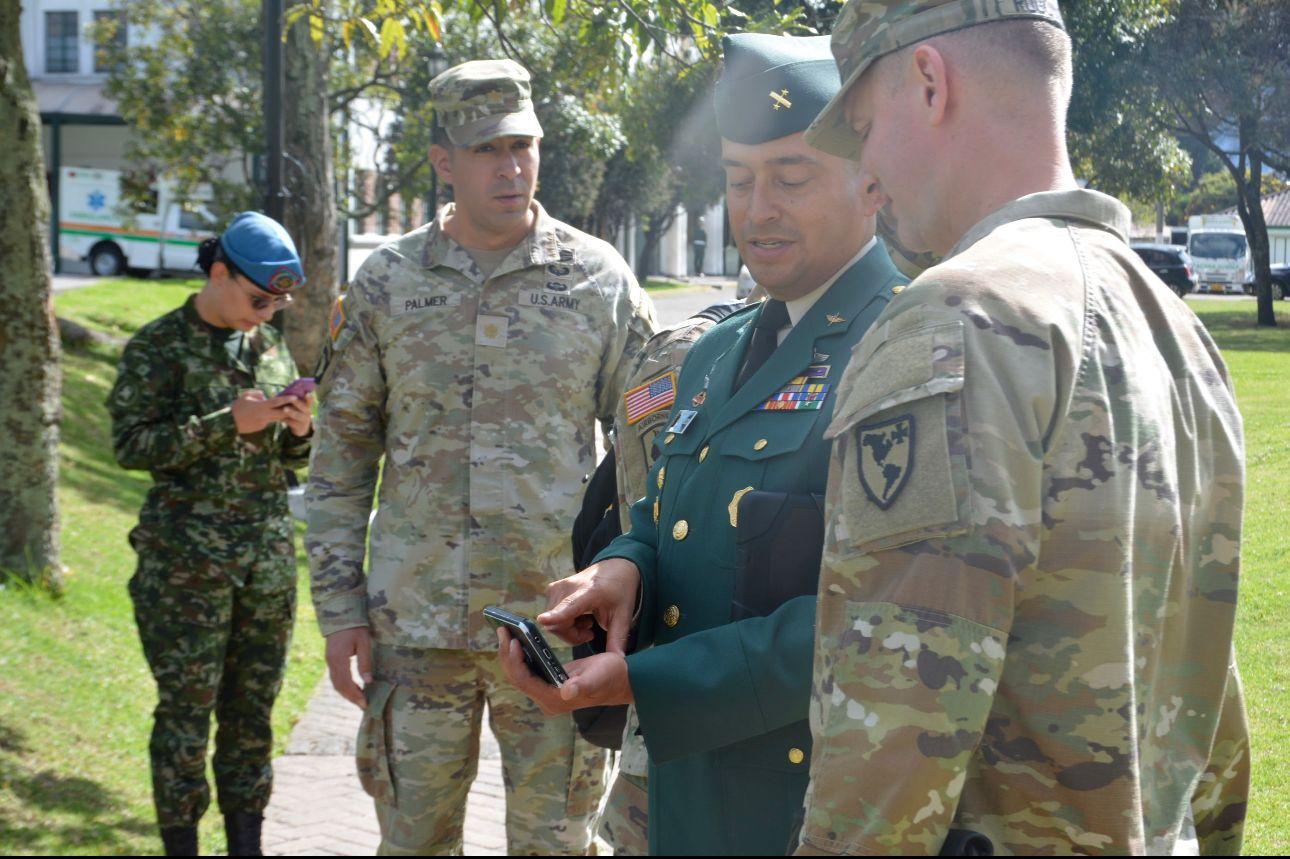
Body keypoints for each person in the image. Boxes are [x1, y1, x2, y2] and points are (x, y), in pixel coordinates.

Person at [791, 1, 1250, 854]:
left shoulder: (956, 318)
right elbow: (1208, 698)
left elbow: (892, 740)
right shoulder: (1180, 333)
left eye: (862, 131)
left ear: (928, 84)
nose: (865, 181)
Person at [498, 34, 905, 854]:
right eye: (738, 179)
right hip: (692, 800)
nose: (758, 209)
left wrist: (647, 681)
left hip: (814, 808)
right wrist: (623, 568)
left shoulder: (900, 344)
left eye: (792, 178)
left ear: (872, 183)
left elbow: (878, 616)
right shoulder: (716, 351)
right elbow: (660, 511)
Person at [306, 58, 657, 855]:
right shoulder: (388, 283)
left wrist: (632, 588)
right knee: (416, 841)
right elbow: (341, 460)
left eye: (524, 146)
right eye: (489, 150)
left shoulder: (596, 279)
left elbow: (647, 454)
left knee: (558, 844)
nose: (512, 167)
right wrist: (340, 611)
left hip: (555, 622)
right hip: (416, 629)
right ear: (443, 162)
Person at [107, 211, 312, 857]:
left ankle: (246, 844)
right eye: (258, 299)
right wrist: (227, 422)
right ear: (218, 271)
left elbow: (285, 465)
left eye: (278, 303)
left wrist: (299, 434)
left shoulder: (269, 347)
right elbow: (131, 444)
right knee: (186, 718)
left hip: (266, 568)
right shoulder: (158, 345)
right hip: (186, 572)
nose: (268, 314)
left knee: (251, 719)